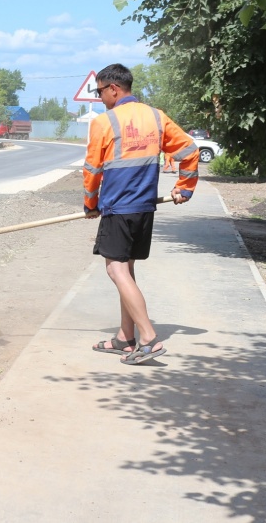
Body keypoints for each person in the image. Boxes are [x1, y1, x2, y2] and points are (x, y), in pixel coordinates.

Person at [83, 64, 198, 365]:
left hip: (118, 208)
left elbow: (92, 170)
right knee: (127, 269)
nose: (100, 99)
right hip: (144, 208)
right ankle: (125, 337)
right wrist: (185, 187)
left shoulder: (105, 122)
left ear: (113, 89)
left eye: (100, 92)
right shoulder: (156, 117)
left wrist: (90, 204)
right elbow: (189, 150)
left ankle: (148, 338)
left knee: (115, 270)